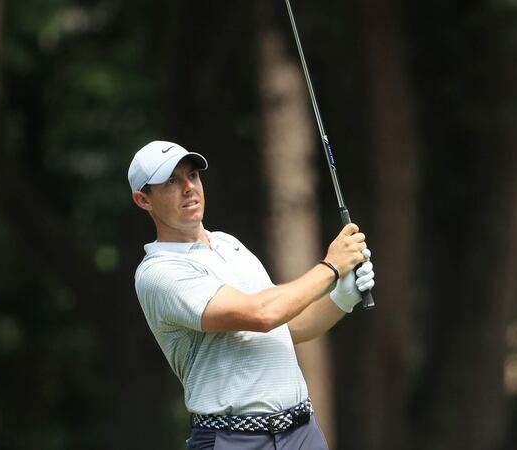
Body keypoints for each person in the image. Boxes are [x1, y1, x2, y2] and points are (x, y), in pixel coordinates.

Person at [128, 140, 375, 450]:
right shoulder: (159, 272)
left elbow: (287, 327)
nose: (188, 187)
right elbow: (262, 314)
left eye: (192, 175)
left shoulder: (229, 244)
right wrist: (331, 268)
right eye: (171, 181)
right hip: (234, 440)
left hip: (302, 433)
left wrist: (342, 299)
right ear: (143, 200)